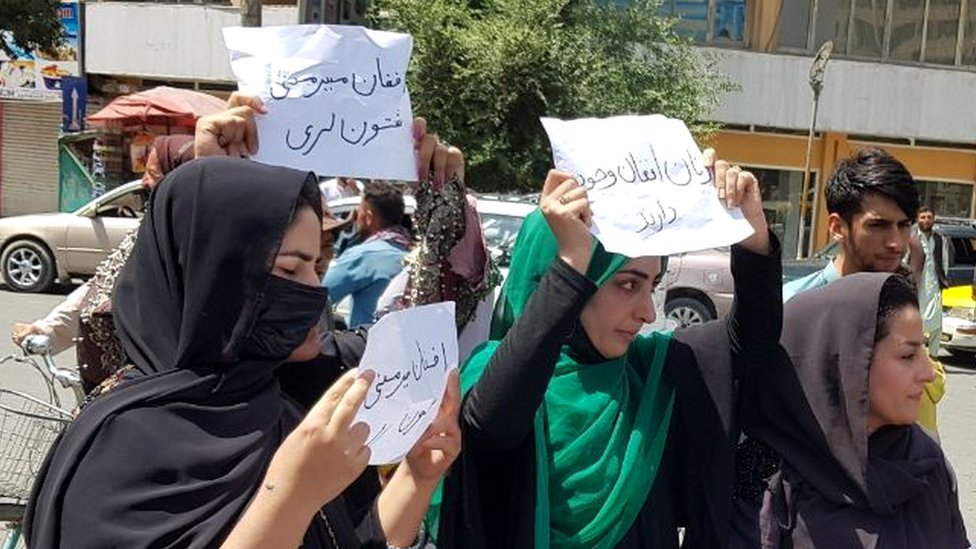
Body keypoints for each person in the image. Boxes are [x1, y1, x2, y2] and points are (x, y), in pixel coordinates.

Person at [25, 157, 461, 549]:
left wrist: (418, 476)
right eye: (290, 269)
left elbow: (357, 541)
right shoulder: (127, 440)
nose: (315, 291)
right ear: (213, 277)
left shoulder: (274, 407)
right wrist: (291, 494)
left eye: (317, 267)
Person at [435, 155, 783, 548]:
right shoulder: (495, 372)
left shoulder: (649, 372)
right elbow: (492, 425)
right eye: (628, 285)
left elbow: (749, 344)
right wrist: (572, 260)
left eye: (652, 285)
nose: (648, 313)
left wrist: (751, 233)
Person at [732, 273, 968, 548]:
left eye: (925, 352)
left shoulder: (927, 462)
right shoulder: (768, 472)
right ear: (848, 362)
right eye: (907, 356)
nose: (928, 373)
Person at [779, 147, 944, 435]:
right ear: (837, 227)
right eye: (879, 226)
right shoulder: (792, 307)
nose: (896, 243)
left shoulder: (902, 304)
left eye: (904, 226)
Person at [324, 182, 413, 328]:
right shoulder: (411, 254)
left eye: (358, 213)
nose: (356, 220)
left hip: (366, 346)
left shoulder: (362, 256)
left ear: (368, 217)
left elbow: (317, 299)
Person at [913, 206, 951, 358]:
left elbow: (945, 261)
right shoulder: (911, 238)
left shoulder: (940, 239)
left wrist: (943, 279)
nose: (926, 220)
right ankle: (916, 355)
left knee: (936, 323)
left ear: (933, 219)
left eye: (929, 217)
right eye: (923, 217)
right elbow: (904, 260)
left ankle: (933, 356)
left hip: (934, 285)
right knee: (916, 321)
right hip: (916, 286)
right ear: (917, 219)